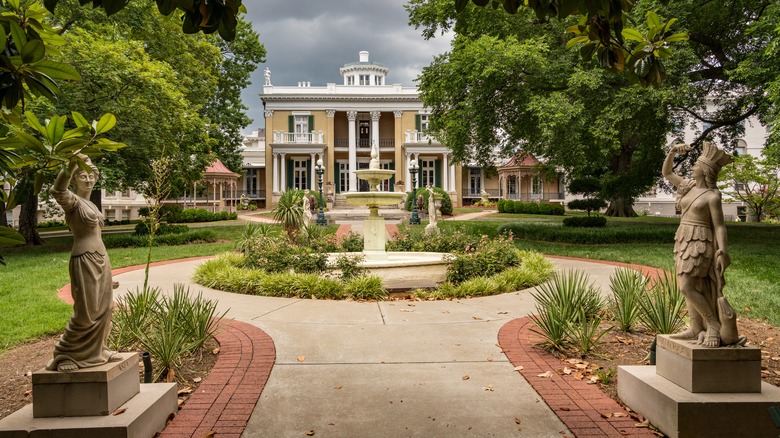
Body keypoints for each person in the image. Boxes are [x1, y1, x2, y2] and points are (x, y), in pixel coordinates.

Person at [662, 141, 738, 347]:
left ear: (705, 171)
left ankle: (713, 325)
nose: (693, 167)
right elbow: (667, 173)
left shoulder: (713, 196)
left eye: (696, 165)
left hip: (701, 241)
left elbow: (720, 226)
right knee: (690, 285)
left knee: (687, 287)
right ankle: (696, 327)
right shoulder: (689, 187)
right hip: (684, 239)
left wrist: (723, 250)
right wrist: (671, 152)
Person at [47, 155, 117, 371]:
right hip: (84, 259)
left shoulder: (91, 205)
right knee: (86, 313)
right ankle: (65, 353)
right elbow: (57, 190)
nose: (88, 180)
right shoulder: (72, 202)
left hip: (101, 259)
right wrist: (71, 164)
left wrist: (108, 271)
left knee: (106, 308)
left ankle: (99, 350)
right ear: (75, 179)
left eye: (91, 176)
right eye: (83, 176)